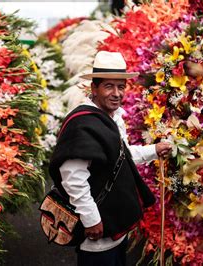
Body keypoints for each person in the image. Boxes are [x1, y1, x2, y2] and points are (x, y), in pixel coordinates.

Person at [49, 51, 172, 266]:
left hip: (114, 226)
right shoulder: (83, 124)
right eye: (108, 86)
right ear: (94, 88)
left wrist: (154, 149)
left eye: (121, 86)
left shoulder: (112, 117)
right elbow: (73, 179)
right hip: (97, 233)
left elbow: (121, 156)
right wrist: (91, 219)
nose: (116, 93)